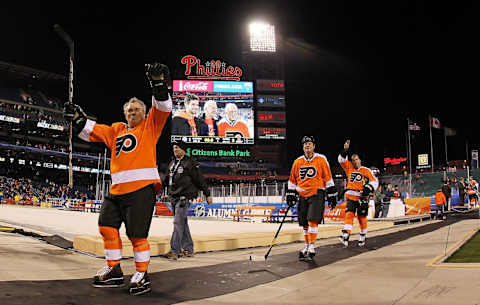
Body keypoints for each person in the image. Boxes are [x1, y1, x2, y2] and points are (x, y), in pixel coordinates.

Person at [64, 63, 172, 296]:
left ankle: (142, 274)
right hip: (116, 191)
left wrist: (158, 85)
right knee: (106, 227)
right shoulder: (116, 131)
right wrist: (77, 118)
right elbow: (93, 131)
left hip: (141, 189)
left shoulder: (150, 126)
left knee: (136, 236)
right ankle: (114, 270)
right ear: (124, 115)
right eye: (129, 111)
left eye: (136, 109)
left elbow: (163, 107)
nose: (133, 113)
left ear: (144, 113)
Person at [286, 135, 337, 261]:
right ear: (303, 147)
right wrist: (291, 194)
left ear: (314, 146)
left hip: (316, 193)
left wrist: (331, 194)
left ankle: (312, 246)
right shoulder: (298, 161)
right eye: (305, 144)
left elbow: (328, 177)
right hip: (302, 195)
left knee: (312, 220)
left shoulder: (321, 159)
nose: (307, 146)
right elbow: (292, 181)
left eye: (309, 143)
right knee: (304, 223)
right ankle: (307, 245)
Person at [164, 140, 213, 260]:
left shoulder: (190, 163)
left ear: (183, 150)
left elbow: (199, 179)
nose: (175, 149)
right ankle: (188, 249)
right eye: (174, 147)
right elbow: (168, 180)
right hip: (174, 197)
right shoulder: (172, 164)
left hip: (184, 197)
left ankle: (174, 251)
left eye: (178, 147)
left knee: (178, 223)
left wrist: (207, 194)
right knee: (182, 223)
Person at [337, 140, 378, 247]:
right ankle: (346, 236)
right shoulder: (349, 167)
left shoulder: (366, 170)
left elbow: (375, 181)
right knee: (349, 214)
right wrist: (345, 150)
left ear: (360, 160)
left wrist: (368, 188)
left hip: (362, 197)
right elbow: (341, 160)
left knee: (361, 218)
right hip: (350, 196)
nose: (354, 162)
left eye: (356, 159)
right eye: (353, 160)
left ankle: (363, 236)